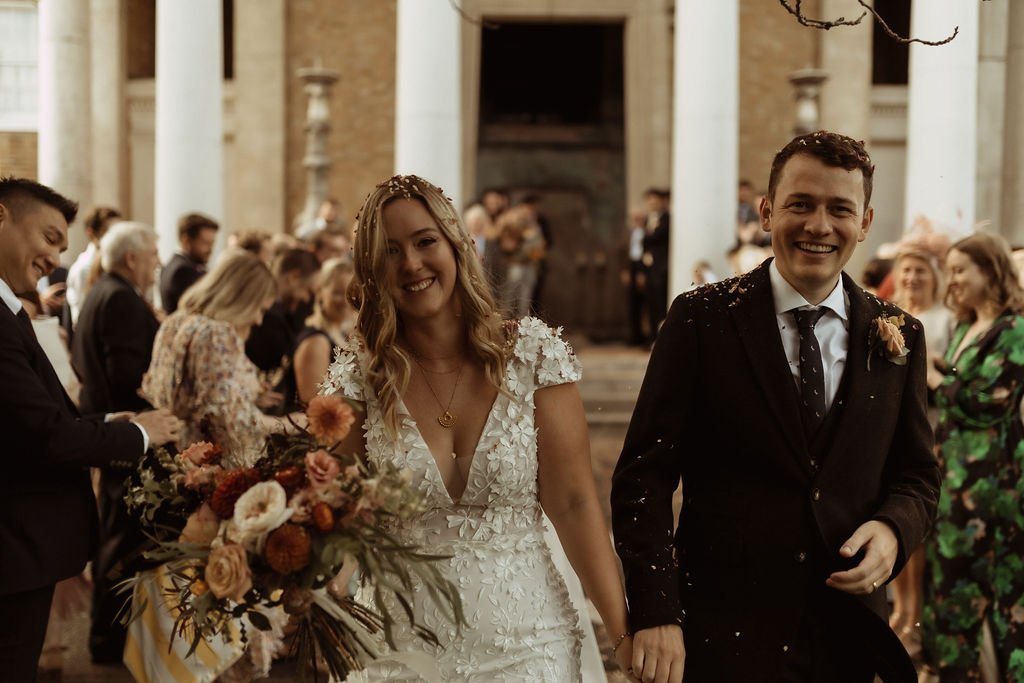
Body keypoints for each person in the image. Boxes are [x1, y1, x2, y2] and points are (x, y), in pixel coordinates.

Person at [611, 132, 940, 683]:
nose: (819, 225)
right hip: (720, 635)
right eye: (800, 204)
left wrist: (892, 530)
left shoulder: (901, 334)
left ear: (864, 222)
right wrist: (656, 611)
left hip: (846, 638)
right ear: (767, 211)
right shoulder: (700, 320)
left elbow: (917, 475)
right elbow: (642, 478)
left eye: (840, 209)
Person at [320, 174, 635, 681]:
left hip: (528, 641)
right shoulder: (358, 382)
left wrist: (622, 634)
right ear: (371, 270)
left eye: (425, 242)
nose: (412, 264)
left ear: (457, 245)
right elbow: (344, 524)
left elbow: (575, 503)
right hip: (395, 646)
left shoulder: (533, 357)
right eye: (390, 251)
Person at [0, 177, 180, 681]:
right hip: (13, 545)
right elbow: (45, 437)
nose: (55, 257)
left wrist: (102, 422)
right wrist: (141, 433)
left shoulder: (10, 311)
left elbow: (30, 416)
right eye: (50, 237)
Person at [921, 232, 1024, 681]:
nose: (953, 279)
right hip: (954, 478)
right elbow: (967, 379)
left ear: (991, 272)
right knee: (949, 584)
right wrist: (944, 365)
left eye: (962, 269)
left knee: (993, 593)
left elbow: (992, 401)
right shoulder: (966, 325)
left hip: (992, 486)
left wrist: (935, 379)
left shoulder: (1016, 329)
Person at [70, 221, 162, 663]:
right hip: (128, 436)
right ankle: (110, 641)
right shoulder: (121, 299)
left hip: (114, 432)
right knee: (124, 541)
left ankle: (110, 638)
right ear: (131, 258)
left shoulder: (104, 291)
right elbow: (130, 376)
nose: (157, 262)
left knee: (118, 535)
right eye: (152, 254)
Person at [143, 250, 300, 464]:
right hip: (213, 459)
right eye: (259, 309)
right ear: (240, 299)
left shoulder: (176, 321)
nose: (258, 320)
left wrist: (248, 392)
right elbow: (227, 420)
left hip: (179, 454)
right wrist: (288, 424)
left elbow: (193, 393)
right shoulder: (217, 333)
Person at [884, 223, 954, 659]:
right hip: (894, 433)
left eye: (920, 272)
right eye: (906, 271)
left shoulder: (946, 319)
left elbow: (953, 376)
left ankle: (915, 617)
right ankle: (901, 608)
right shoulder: (888, 314)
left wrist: (932, 373)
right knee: (898, 519)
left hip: (933, 428)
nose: (912, 279)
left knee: (922, 529)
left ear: (935, 277)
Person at [245, 247, 321, 411]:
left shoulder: (282, 312)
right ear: (293, 277)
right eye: (308, 290)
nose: (307, 298)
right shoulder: (267, 318)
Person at [292, 257, 355, 407]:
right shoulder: (316, 342)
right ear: (320, 291)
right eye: (338, 293)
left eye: (352, 293)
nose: (346, 301)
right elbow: (313, 408)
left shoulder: (341, 333)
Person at [66, 205, 121, 326]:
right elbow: (80, 318)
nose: (117, 238)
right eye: (109, 232)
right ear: (91, 234)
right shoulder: (82, 269)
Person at [159, 211, 218, 314]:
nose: (210, 249)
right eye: (205, 243)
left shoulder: (174, 264)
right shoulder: (183, 271)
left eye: (212, 243)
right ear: (186, 241)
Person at [642, 187, 671, 335]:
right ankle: (652, 335)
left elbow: (656, 237)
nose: (652, 203)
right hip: (650, 266)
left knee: (660, 302)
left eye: (655, 200)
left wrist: (647, 236)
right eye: (649, 200)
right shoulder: (648, 219)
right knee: (651, 302)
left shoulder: (666, 218)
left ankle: (661, 334)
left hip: (661, 265)